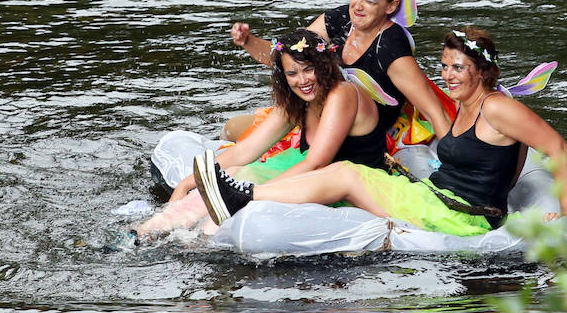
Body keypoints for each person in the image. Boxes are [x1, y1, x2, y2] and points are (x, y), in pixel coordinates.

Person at [193, 27, 567, 234]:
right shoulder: (468, 107)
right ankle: (244, 195)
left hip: (460, 217)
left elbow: (557, 146)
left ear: (481, 71)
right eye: (444, 66)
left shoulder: (496, 106)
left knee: (345, 173)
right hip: (436, 198)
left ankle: (245, 197)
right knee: (346, 171)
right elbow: (520, 153)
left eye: (458, 68)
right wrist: (503, 192)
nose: (447, 76)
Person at [136, 28, 386, 237]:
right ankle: (145, 233)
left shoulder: (343, 93)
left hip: (349, 187)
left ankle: (203, 239)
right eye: (292, 73)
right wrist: (187, 183)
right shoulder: (296, 102)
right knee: (236, 172)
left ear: (324, 66)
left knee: (242, 186)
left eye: (308, 69)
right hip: (310, 179)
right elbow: (244, 151)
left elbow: (317, 161)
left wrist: (246, 194)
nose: (302, 80)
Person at [223, 0, 453, 149]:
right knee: (231, 128)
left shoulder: (391, 50)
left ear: (391, 6)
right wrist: (248, 41)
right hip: (321, 114)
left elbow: (435, 112)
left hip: (362, 136)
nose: (358, 6)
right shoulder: (341, 19)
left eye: (370, 0)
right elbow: (289, 57)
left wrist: (461, 171)